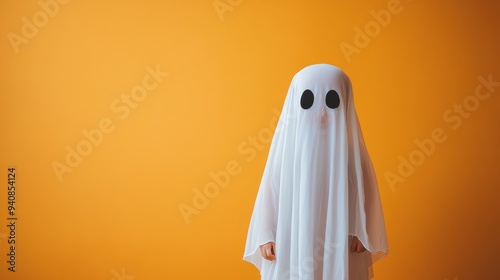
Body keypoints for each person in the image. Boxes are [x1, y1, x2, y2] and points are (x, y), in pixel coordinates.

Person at [243, 64, 388, 280]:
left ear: (345, 102)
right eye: (308, 101)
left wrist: (362, 229)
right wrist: (265, 233)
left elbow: (365, 190)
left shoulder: (350, 154)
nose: (321, 113)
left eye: (331, 101)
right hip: (290, 236)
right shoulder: (286, 153)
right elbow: (270, 190)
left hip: (342, 239)